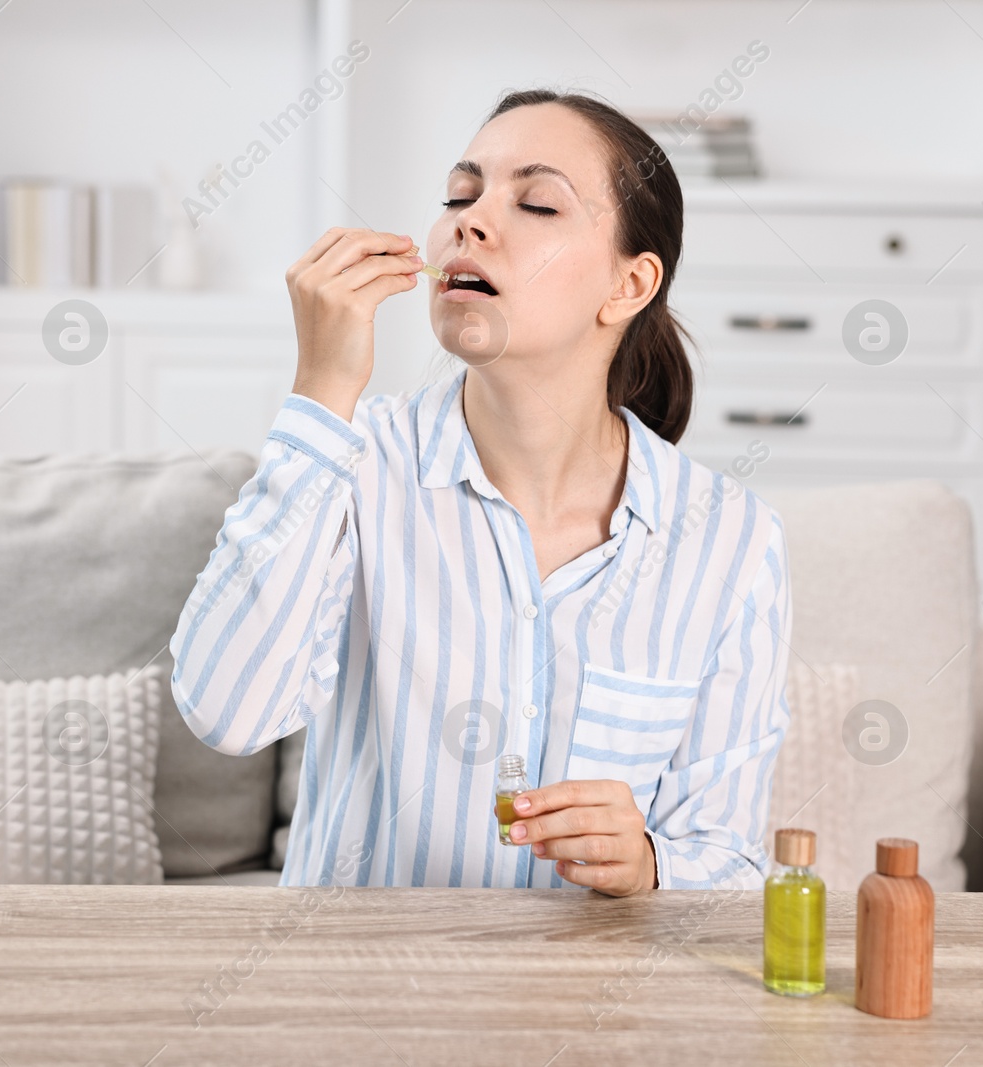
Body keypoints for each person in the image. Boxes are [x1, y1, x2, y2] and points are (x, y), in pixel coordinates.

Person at [169, 90, 791, 895]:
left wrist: (649, 863)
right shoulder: (351, 467)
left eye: (536, 202)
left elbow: (734, 860)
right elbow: (227, 711)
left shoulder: (730, 539)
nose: (471, 220)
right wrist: (322, 390)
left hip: (588, 1011)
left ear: (630, 285)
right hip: (356, 1000)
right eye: (460, 196)